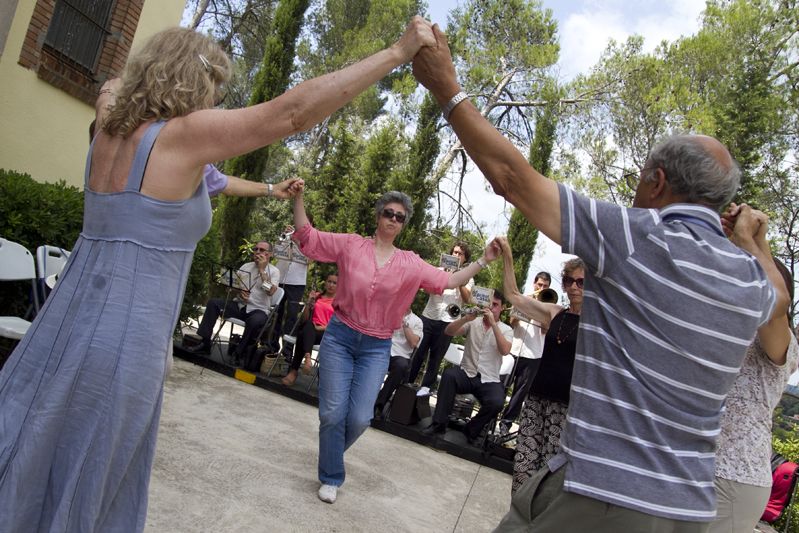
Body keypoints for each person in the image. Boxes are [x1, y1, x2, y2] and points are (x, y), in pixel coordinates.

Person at [0, 18, 438, 531]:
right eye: (212, 90)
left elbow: (110, 92)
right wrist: (396, 50)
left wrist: (124, 87)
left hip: (61, 323)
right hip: (123, 342)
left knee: (35, 452)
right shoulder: (180, 136)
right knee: (90, 476)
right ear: (192, 84)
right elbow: (293, 112)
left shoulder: (105, 129)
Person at [413, 26, 779, 531]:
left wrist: (445, 88)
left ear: (657, 182)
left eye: (640, 178)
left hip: (605, 495)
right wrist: (752, 241)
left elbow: (512, 178)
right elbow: (777, 297)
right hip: (688, 510)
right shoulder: (751, 279)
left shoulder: (638, 235)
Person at [292, 188, 500, 504]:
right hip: (340, 336)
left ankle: (329, 454)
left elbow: (449, 282)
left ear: (403, 224)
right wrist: (298, 199)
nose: (392, 219)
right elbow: (309, 237)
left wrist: (484, 260)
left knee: (361, 418)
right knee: (333, 414)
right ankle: (332, 475)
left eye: (399, 216)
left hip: (376, 347)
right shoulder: (351, 245)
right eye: (388, 212)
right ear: (378, 215)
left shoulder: (410, 263)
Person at [709, 204, 798, 533]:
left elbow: (774, 304)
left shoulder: (780, 339)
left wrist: (750, 241)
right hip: (698, 471)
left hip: (733, 480)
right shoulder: (727, 327)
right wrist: (729, 241)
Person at [498, 242, 585, 492]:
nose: (573, 287)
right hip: (537, 400)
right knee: (523, 467)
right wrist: (508, 256)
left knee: (549, 474)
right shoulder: (555, 312)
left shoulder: (596, 323)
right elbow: (513, 296)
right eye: (569, 281)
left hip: (567, 407)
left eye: (581, 282)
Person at [422, 290, 512, 445]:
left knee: (497, 401)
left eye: (495, 305)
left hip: (488, 379)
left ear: (503, 308)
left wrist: (493, 325)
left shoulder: (506, 330)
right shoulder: (473, 322)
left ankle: (471, 429)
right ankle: (438, 425)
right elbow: (448, 331)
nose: (491, 308)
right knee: (449, 375)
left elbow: (505, 350)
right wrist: (464, 319)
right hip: (466, 372)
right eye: (489, 304)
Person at [187, 240, 281, 361]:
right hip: (239, 305)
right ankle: (205, 343)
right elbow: (230, 287)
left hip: (258, 309)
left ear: (270, 254)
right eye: (255, 249)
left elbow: (270, 291)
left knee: (255, 321)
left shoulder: (274, 271)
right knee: (213, 303)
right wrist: (238, 292)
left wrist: (262, 270)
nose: (257, 252)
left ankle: (238, 353)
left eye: (261, 250)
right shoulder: (246, 266)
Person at [409, 242, 474, 396]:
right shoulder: (438, 270)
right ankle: (407, 382)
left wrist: (458, 280)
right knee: (418, 352)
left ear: (465, 259)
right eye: (455, 252)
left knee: (436, 357)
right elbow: (427, 289)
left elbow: (467, 299)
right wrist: (443, 275)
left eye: (460, 254)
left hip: (448, 321)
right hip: (430, 316)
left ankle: (425, 388)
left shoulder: (468, 278)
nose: (456, 255)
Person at [497, 271, 552, 435]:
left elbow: (544, 331)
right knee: (501, 385)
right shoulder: (523, 299)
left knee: (520, 392)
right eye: (539, 285)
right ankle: (491, 416)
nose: (541, 288)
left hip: (533, 354)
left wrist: (539, 310)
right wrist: (524, 306)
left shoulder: (548, 306)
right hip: (514, 349)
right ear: (534, 284)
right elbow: (512, 322)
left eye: (545, 286)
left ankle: (506, 423)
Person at [282, 272, 338, 387]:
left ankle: (294, 371)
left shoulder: (339, 302)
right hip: (310, 329)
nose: (331, 285)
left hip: (325, 333)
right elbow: (304, 319)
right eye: (329, 281)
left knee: (304, 333)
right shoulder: (317, 296)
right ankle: (308, 357)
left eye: (334, 283)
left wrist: (318, 327)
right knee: (307, 326)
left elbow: (336, 324)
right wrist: (308, 304)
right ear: (325, 282)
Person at [374, 306, 424, 417]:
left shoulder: (417, 321)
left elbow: (413, 343)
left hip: (400, 355)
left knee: (401, 366)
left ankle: (379, 404)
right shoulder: (388, 311)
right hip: (382, 349)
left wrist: (404, 323)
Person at [273, 224, 310, 358]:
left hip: (297, 282)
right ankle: (271, 346)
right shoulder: (288, 235)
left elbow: (310, 259)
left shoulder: (311, 240)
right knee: (276, 313)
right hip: (280, 277)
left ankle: (287, 352)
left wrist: (298, 242)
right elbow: (276, 250)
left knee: (292, 317)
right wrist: (283, 236)